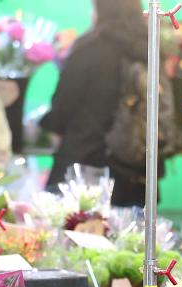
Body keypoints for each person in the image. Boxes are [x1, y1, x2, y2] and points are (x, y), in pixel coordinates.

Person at [41, 0, 149, 207]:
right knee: (130, 237)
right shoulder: (149, 50)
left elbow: (61, 111)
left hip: (84, 168)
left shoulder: (89, 48)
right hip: (135, 171)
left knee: (75, 235)